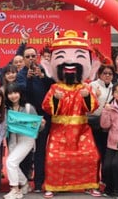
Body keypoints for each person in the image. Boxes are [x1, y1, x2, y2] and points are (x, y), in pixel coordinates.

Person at [40, 30, 101, 198]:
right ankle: (53, 185)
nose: (69, 61)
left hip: (82, 130)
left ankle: (90, 185)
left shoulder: (85, 88)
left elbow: (92, 108)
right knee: (54, 158)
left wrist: (87, 97)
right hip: (59, 130)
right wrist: (57, 100)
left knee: (91, 156)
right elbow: (47, 107)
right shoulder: (55, 88)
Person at [16, 46, 54, 193]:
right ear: (24, 59)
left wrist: (43, 78)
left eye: (33, 56)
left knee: (40, 150)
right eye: (28, 56)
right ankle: (24, 179)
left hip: (44, 117)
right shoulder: (21, 75)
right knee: (26, 150)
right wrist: (29, 79)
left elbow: (52, 88)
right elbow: (24, 93)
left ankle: (39, 182)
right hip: (27, 117)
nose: (31, 59)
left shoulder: (43, 70)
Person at [3, 83, 43, 199]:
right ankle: (25, 185)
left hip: (26, 139)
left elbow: (38, 127)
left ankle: (15, 189)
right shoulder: (6, 109)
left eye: (15, 92)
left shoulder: (28, 107)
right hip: (13, 139)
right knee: (13, 163)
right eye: (10, 93)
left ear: (20, 94)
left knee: (10, 162)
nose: (13, 96)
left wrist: (41, 124)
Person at [88, 64, 115, 176]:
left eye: (110, 74)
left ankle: (105, 176)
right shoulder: (92, 85)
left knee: (106, 152)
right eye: (105, 73)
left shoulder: (114, 88)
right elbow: (87, 105)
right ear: (99, 74)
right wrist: (95, 96)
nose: (107, 76)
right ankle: (93, 177)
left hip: (108, 124)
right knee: (95, 151)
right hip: (94, 123)